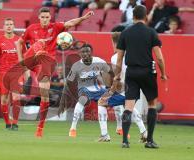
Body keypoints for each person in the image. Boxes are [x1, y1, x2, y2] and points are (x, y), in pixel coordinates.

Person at [16, 7, 94, 138]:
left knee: (44, 96)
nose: (45, 20)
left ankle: (40, 127)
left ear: (50, 18)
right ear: (39, 17)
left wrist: (83, 18)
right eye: (43, 17)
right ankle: (24, 67)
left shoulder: (55, 27)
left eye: (47, 17)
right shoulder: (31, 29)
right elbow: (19, 42)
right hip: (33, 59)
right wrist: (21, 60)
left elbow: (70, 23)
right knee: (38, 46)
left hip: (47, 62)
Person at [114, 5, 167, 148]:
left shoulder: (125, 33)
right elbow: (159, 58)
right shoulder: (151, 32)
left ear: (133, 16)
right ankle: (149, 140)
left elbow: (119, 58)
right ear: (145, 16)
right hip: (148, 72)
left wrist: (117, 76)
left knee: (129, 106)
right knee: (151, 105)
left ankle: (125, 141)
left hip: (131, 72)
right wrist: (163, 74)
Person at [65, 44, 125, 138]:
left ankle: (119, 128)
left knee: (117, 102)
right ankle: (73, 128)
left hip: (98, 89)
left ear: (91, 52)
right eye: (83, 52)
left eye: (87, 51)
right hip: (84, 88)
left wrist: (114, 83)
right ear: (80, 54)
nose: (85, 54)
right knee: (82, 100)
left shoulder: (98, 61)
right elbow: (69, 80)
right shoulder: (76, 66)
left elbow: (110, 72)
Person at [97, 32, 147, 142]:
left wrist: (110, 92)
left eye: (112, 43)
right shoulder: (133, 55)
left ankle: (104, 134)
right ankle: (144, 132)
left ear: (115, 43)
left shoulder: (116, 57)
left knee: (101, 102)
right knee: (129, 107)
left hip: (122, 89)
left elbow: (117, 77)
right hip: (134, 89)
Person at [0, 18, 22, 131]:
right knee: (4, 100)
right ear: (3, 27)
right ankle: (7, 123)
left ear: (14, 26)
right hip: (3, 73)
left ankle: (15, 123)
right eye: (7, 24)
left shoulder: (19, 40)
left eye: (11, 24)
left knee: (16, 97)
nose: (9, 26)